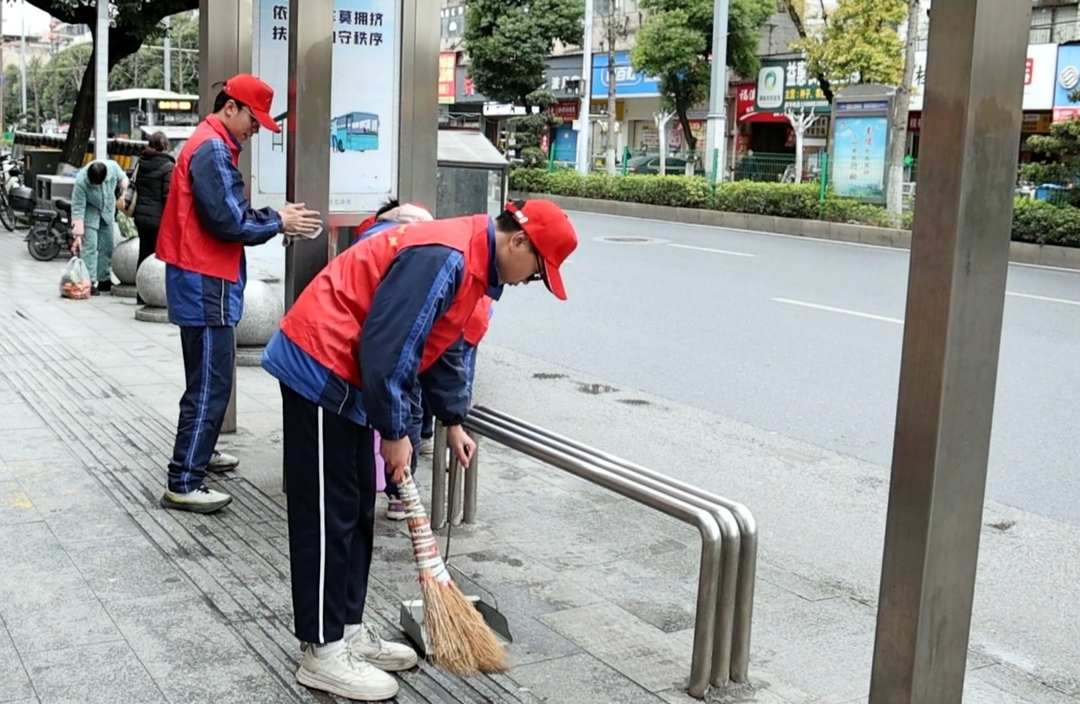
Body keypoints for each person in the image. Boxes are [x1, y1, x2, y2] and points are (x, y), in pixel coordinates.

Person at [261, 200, 577, 701]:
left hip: (351, 379)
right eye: (537, 272)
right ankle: (322, 652)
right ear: (519, 242)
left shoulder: (473, 262)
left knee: (358, 509)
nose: (527, 282)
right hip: (321, 365)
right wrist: (394, 431)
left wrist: (451, 418)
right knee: (328, 516)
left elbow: (443, 347)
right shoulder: (446, 255)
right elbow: (389, 347)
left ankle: (346, 630)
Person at [156, 73, 322, 514]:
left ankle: (200, 453)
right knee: (211, 383)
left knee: (208, 378)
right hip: (204, 281)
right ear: (231, 107)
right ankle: (185, 479)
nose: (256, 128)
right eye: (254, 119)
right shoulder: (211, 149)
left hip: (201, 278)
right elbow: (230, 220)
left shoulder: (210, 143)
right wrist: (279, 220)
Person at [71, 159, 129, 296]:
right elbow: (78, 207)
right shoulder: (81, 181)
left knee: (108, 245)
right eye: (93, 184)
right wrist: (77, 235)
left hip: (108, 211)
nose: (95, 186)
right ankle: (89, 281)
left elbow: (123, 179)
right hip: (90, 214)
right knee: (90, 247)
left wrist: (125, 190)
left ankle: (104, 279)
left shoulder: (113, 168)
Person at [133, 132, 176, 304]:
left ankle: (140, 294)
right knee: (158, 256)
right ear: (165, 146)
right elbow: (168, 195)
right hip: (158, 218)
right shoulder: (168, 166)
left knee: (143, 252)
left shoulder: (141, 161)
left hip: (140, 215)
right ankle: (155, 294)